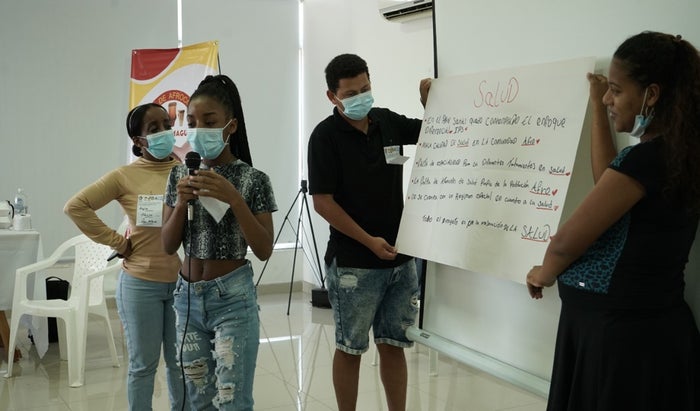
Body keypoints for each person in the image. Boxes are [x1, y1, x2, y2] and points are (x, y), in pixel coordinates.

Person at [526, 31, 700, 411]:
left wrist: (543, 272)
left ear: (651, 95)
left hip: (616, 340)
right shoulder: (678, 154)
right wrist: (596, 105)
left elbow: (566, 242)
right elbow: (610, 177)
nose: (608, 99)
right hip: (650, 330)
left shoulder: (646, 160)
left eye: (616, 91)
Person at [307, 53, 431, 411]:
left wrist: (429, 103)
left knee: (394, 344)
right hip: (354, 265)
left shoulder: (386, 122)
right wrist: (368, 241)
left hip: (399, 259)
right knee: (350, 348)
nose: (360, 97)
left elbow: (432, 133)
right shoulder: (325, 137)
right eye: (350, 94)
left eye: (365, 88)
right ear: (332, 96)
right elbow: (323, 203)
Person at [162, 74, 277, 411]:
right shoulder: (179, 174)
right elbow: (167, 245)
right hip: (187, 298)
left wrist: (234, 199)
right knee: (197, 399)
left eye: (210, 122)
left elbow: (264, 249)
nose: (199, 130)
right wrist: (181, 204)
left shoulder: (254, 179)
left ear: (231, 126)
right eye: (192, 123)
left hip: (232, 299)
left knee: (231, 399)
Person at [64, 103, 189, 410]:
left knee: (180, 364)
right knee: (143, 365)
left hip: (180, 284)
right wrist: (117, 242)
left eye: (167, 125)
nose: (164, 132)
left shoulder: (184, 172)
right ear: (138, 140)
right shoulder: (125, 176)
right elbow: (76, 207)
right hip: (140, 285)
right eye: (154, 129)